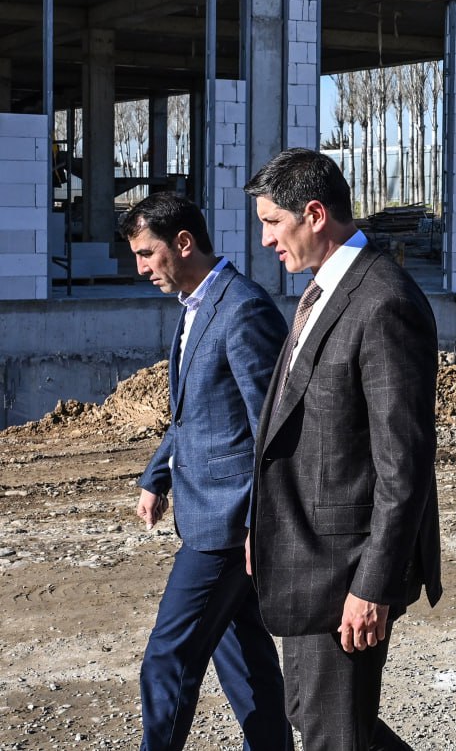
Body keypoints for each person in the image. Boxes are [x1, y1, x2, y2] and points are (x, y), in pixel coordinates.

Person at [245, 148, 442, 751]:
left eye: (272, 222)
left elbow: (404, 466)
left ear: (314, 214)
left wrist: (373, 585)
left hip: (346, 568)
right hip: (306, 553)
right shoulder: (324, 291)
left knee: (333, 732)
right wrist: (262, 524)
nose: (265, 239)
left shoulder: (384, 301)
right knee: (314, 715)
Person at [122, 193, 291, 751]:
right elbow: (191, 411)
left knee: (167, 659)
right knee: (247, 665)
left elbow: (272, 430)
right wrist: (157, 476)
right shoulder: (196, 305)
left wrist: (258, 523)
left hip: (227, 525)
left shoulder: (242, 309)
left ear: (183, 243)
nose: (140, 268)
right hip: (208, 513)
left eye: (146, 254)